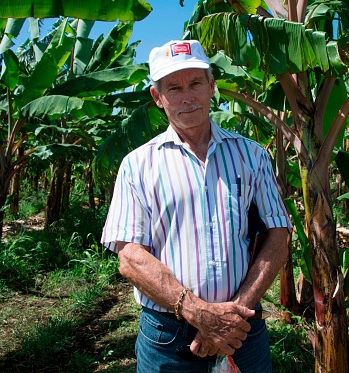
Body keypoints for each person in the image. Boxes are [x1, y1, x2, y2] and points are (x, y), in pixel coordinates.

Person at [100, 40, 291, 373]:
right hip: (169, 337)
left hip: (243, 328)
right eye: (173, 88)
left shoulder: (252, 156)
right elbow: (130, 257)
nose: (186, 96)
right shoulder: (138, 165)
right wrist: (197, 312)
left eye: (195, 83)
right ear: (157, 98)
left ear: (212, 86)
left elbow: (279, 233)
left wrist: (234, 314)